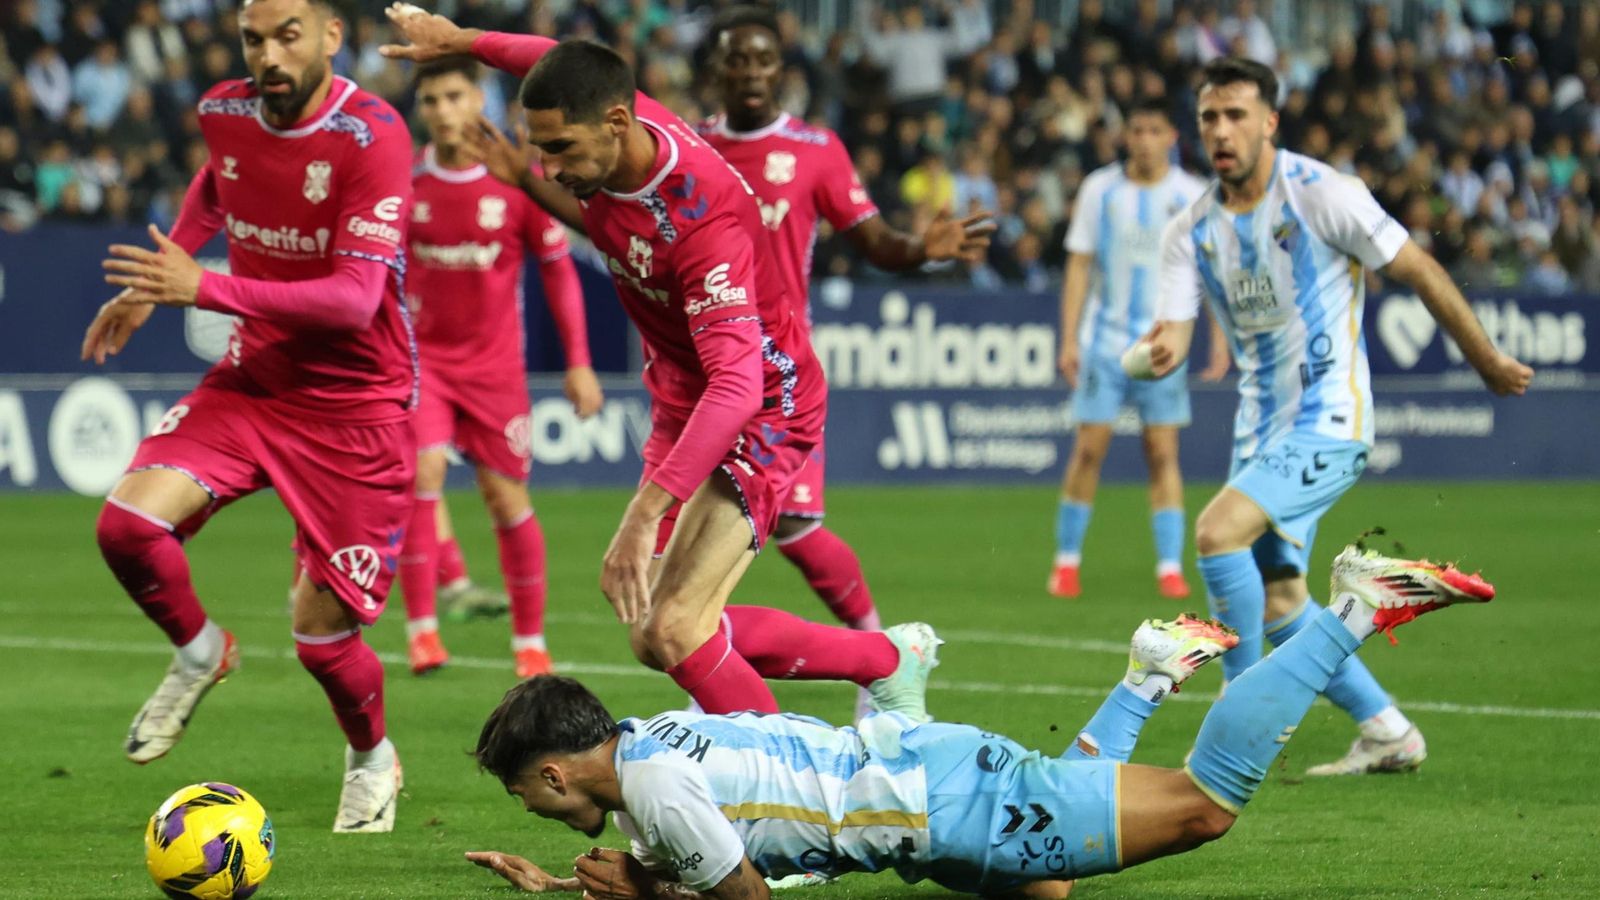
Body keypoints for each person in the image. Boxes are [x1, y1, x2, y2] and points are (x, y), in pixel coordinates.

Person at [379, 5, 940, 719]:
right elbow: (553, 56)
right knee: (655, 632)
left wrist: (646, 511)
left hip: (765, 402)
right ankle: (885, 659)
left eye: (561, 151)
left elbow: (738, 384)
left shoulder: (701, 218)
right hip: (685, 396)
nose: (551, 166)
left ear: (615, 124)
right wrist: (458, 41)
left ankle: (794, 788)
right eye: (541, 149)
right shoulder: (610, 128)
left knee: (676, 626)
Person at [460, 545, 1494, 898]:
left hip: (951, 806)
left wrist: (640, 891)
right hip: (929, 792)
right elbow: (685, 855)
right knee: (1045, 881)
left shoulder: (651, 791)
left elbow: (736, 892)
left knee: (1206, 806)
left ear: (554, 776)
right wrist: (575, 879)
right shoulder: (647, 742)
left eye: (523, 798)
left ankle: (1353, 606)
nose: (535, 814)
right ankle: (1143, 677)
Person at [1140, 57, 1533, 775]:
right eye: (1209, 118)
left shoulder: (1322, 193)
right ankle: (1387, 730)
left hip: (1331, 417)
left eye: (1236, 115)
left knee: (1216, 532)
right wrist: (1161, 345)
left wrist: (1485, 360)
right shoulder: (1189, 230)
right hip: (1259, 431)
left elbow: (1417, 267)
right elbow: (1175, 328)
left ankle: (1237, 730)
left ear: (1269, 122)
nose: (1221, 131)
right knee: (1286, 599)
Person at [84, 0, 415, 831]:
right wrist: (166, 268)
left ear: (332, 37)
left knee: (321, 639)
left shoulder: (374, 139)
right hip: (254, 381)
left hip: (355, 408)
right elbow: (218, 180)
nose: (269, 54)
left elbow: (353, 299)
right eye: (254, 39)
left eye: (288, 35)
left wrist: (206, 287)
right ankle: (200, 651)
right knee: (126, 528)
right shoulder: (224, 110)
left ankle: (373, 757)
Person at [697, 5, 992, 711]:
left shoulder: (813, 149)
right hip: (702, 365)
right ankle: (707, 667)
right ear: (717, 71)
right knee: (698, 532)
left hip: (778, 369)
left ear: (781, 71)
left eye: (763, 60)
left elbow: (871, 240)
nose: (751, 73)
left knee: (795, 528)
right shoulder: (689, 149)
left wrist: (921, 249)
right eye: (737, 59)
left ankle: (875, 650)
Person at [401, 54, 604, 679]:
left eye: (455, 96)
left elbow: (557, 269)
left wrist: (578, 363)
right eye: (431, 100)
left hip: (495, 372)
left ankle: (529, 641)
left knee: (504, 495)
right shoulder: (406, 186)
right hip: (425, 364)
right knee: (421, 472)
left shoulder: (518, 182)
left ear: (480, 98)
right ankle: (422, 633)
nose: (443, 111)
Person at [1050, 98, 1224, 602]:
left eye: (1154, 129)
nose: (1144, 138)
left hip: (1166, 344)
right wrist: (1068, 338)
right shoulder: (1099, 190)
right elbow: (1079, 265)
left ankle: (1169, 566)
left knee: (1162, 451)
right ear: (1126, 136)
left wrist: (1217, 340)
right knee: (1088, 450)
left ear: (1171, 136)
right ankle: (1065, 564)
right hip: (1104, 341)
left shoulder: (1192, 194)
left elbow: (1210, 271)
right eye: (1137, 129)